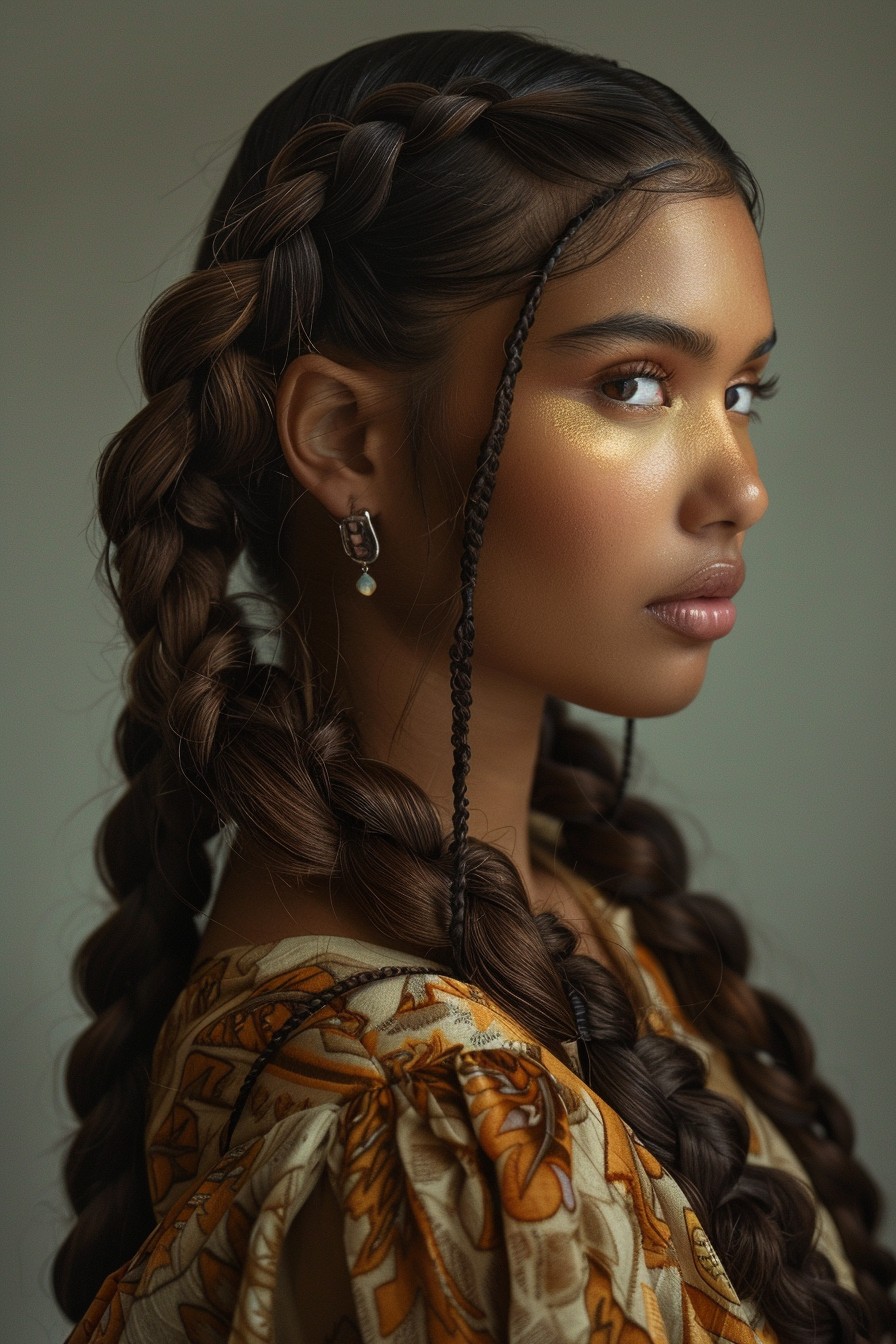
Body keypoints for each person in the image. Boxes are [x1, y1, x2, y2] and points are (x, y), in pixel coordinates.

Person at [54, 28, 895, 1343]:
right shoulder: (442, 1126)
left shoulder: (558, 907)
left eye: (743, 389)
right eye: (633, 385)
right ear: (346, 440)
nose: (741, 484)